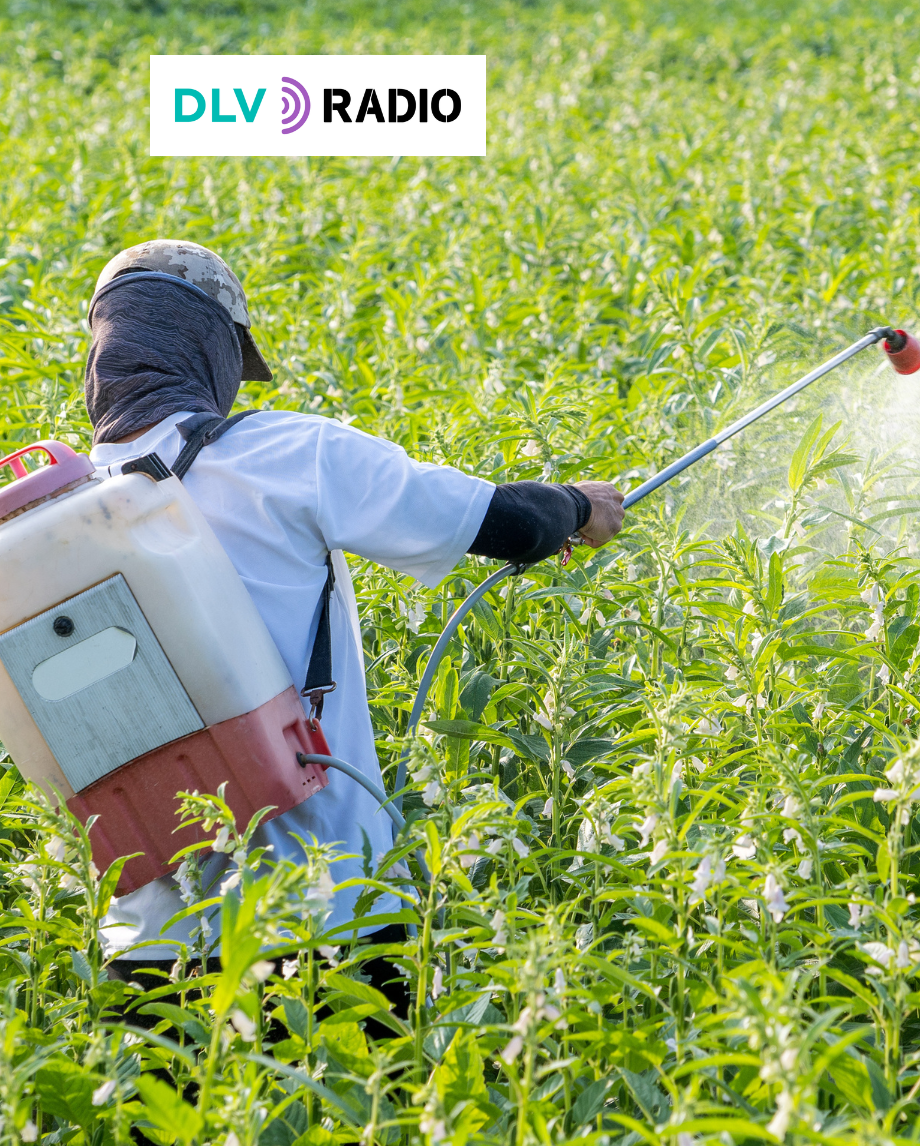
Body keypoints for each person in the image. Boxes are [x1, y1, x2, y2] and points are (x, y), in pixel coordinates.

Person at [84, 239, 624, 988]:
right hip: (324, 919)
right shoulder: (282, 454)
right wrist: (576, 507)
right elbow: (501, 522)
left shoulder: (51, 512)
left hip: (149, 948)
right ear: (210, 349)